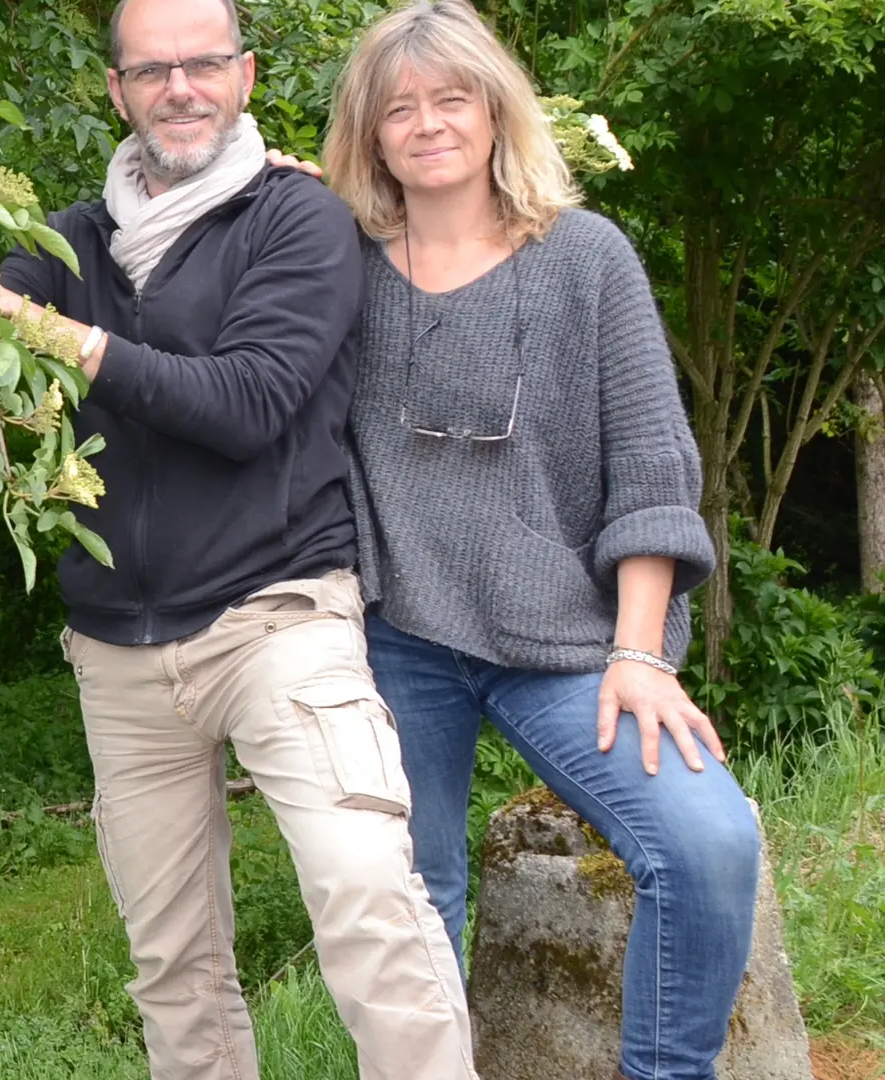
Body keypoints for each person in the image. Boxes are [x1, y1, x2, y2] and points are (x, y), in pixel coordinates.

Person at [0, 1, 477, 1077]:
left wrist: (67, 343)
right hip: (119, 656)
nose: (180, 87)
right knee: (172, 964)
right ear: (117, 90)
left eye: (204, 64)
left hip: (279, 622)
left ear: (246, 76)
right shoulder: (71, 240)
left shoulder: (299, 222)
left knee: (369, 898)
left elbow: (249, 401)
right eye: (153, 69)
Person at [279, 2, 760, 1077]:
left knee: (709, 844)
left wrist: (639, 653)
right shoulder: (339, 267)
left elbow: (651, 469)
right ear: (369, 131)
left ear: (498, 111)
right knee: (410, 889)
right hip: (399, 638)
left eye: (453, 97)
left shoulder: (587, 258)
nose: (429, 123)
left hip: (571, 643)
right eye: (398, 107)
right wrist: (281, 201)